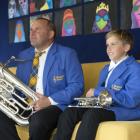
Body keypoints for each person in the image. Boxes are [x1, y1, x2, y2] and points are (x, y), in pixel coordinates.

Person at [0, 18, 84, 140]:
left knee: (38, 121)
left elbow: (77, 86)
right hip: (26, 105)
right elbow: (18, 88)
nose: (32, 33)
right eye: (31, 30)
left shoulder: (67, 54)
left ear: (50, 34)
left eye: (37, 30)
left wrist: (49, 100)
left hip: (54, 106)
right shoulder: (24, 55)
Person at [55, 29, 140, 140]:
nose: (108, 48)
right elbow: (100, 97)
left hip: (124, 110)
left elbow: (131, 100)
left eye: (113, 44)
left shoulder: (135, 68)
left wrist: (97, 91)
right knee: (70, 112)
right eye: (107, 45)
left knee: (92, 115)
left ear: (126, 47)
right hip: (105, 107)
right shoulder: (105, 69)